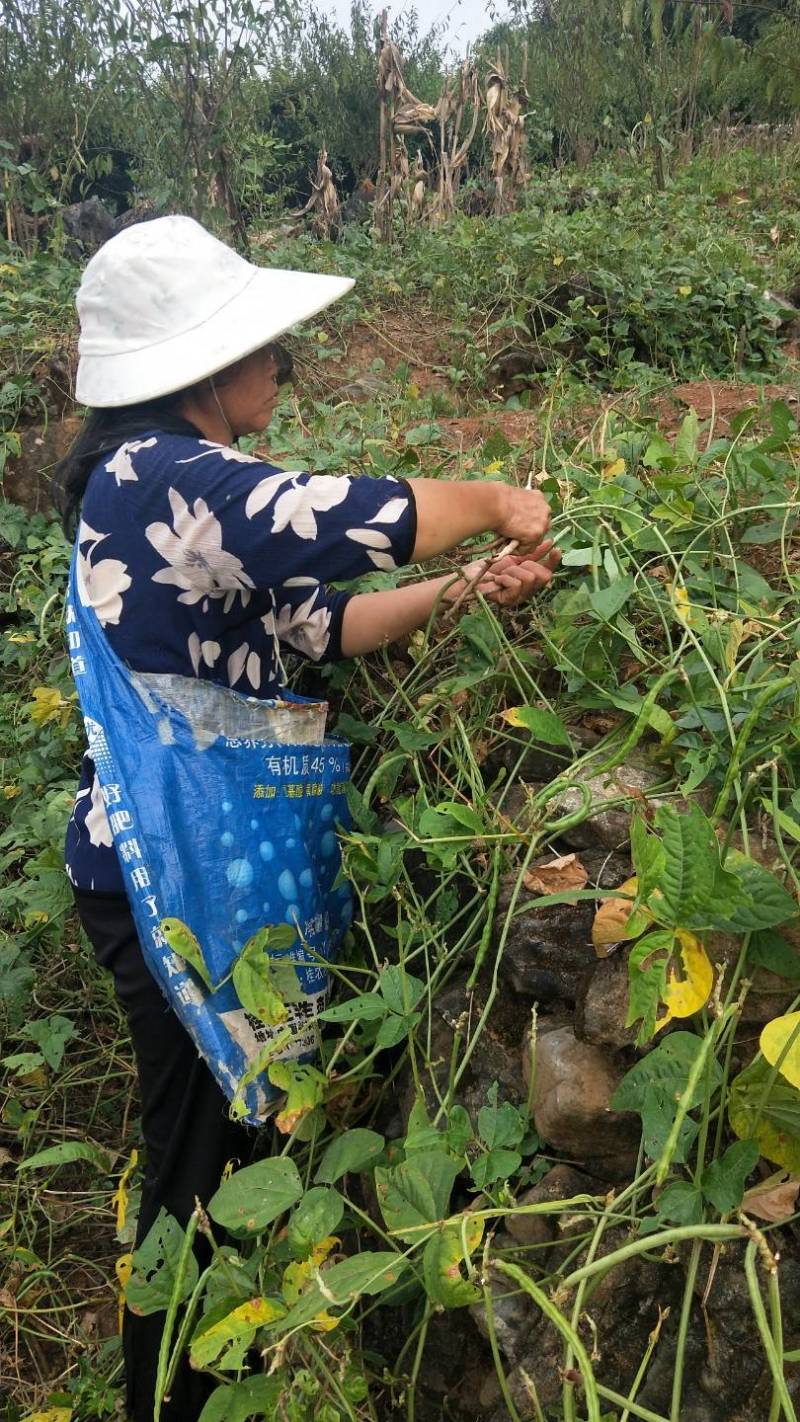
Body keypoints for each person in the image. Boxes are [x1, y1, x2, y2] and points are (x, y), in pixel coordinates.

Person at [55, 214, 559, 1421]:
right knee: (194, 1154)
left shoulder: (174, 498)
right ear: (201, 368)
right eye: (264, 342)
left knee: (224, 1135)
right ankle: (167, 1395)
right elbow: (331, 516)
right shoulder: (159, 475)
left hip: (179, 865)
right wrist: (491, 498)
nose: (282, 359)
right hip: (159, 878)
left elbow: (316, 628)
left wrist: (461, 588)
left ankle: (219, 1363)